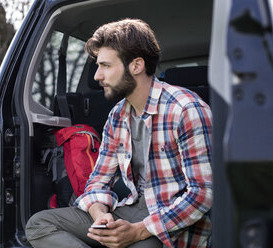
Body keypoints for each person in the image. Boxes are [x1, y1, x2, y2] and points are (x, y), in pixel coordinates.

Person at [25, 18, 212, 248]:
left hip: (173, 221)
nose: (97, 76)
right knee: (39, 224)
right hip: (134, 209)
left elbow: (203, 194)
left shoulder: (186, 109)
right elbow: (98, 182)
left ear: (136, 65)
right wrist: (99, 214)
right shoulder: (117, 116)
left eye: (105, 66)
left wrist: (138, 232)